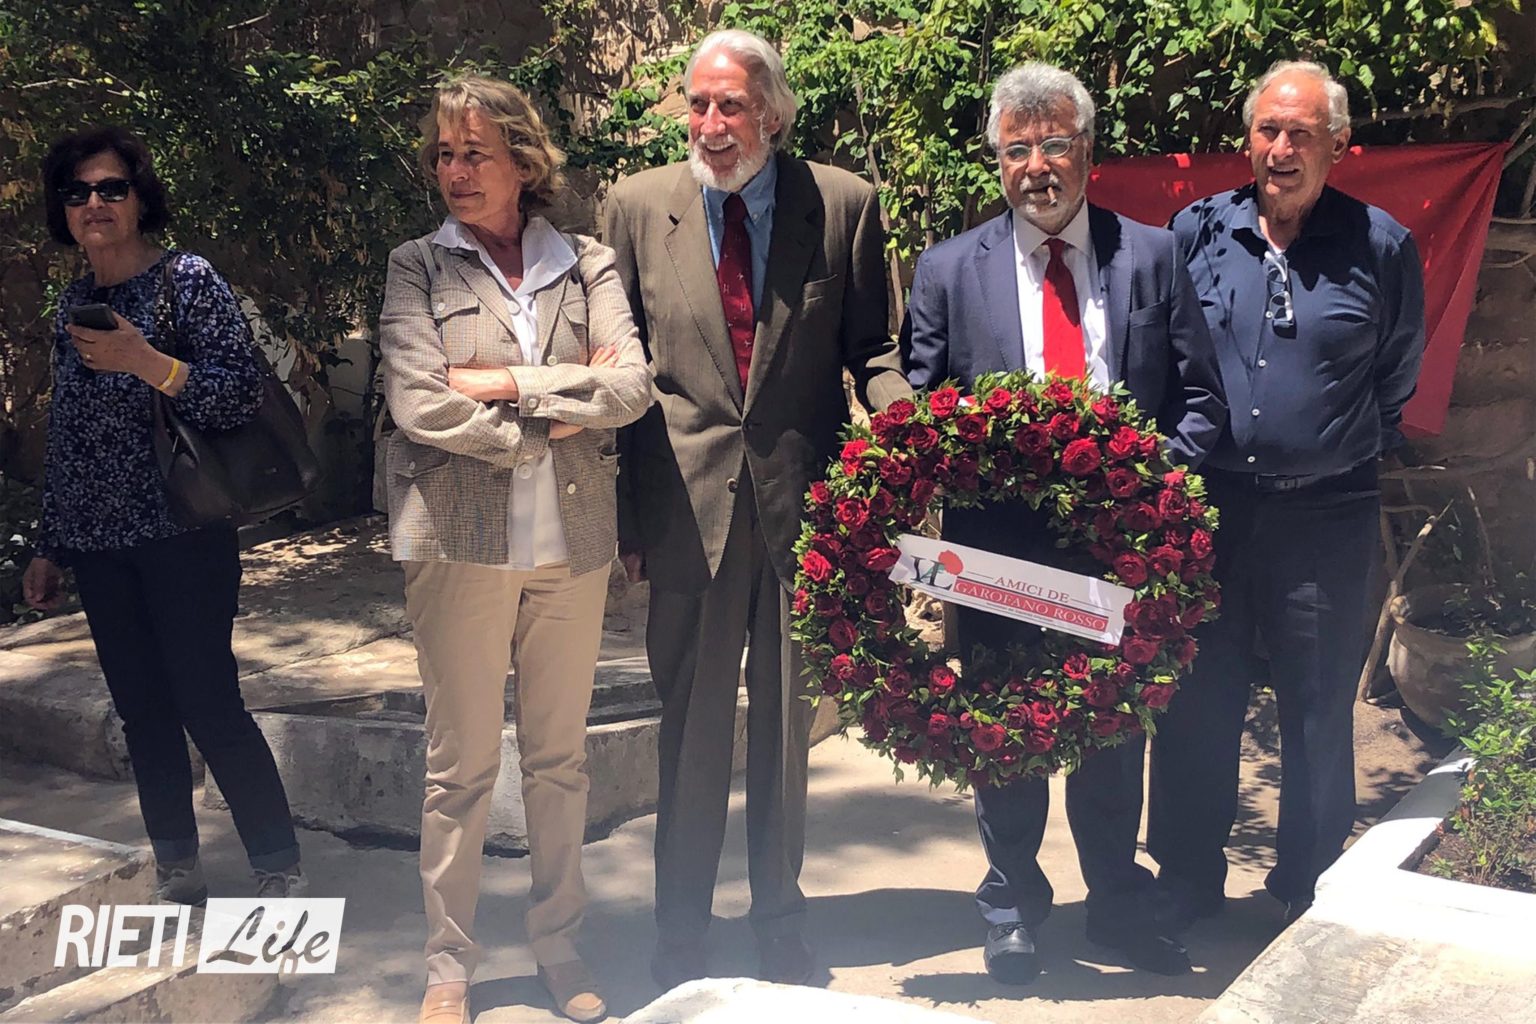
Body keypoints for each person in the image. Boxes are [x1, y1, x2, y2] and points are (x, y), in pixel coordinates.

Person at [902, 62, 1227, 983]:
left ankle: (1115, 905)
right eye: (1017, 150)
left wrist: (1151, 490)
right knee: (1005, 731)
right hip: (997, 550)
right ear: (997, 161)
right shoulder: (947, 270)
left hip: (1117, 550)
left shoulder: (1153, 257)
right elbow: (921, 410)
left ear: (1086, 151)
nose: (1036, 166)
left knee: (1112, 738)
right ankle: (1011, 904)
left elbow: (1201, 401)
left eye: (1053, 145)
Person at [603, 29, 910, 988]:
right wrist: (623, 523)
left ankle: (779, 916)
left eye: (730, 105)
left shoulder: (841, 204)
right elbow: (614, 370)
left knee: (785, 733)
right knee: (691, 730)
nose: (710, 124)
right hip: (683, 511)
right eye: (697, 104)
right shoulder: (635, 206)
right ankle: (680, 930)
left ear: (772, 113)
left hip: (801, 513)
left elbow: (873, 351)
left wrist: (915, 433)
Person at [379, 76, 652, 1024]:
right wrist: (558, 401)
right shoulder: (417, 265)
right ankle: (447, 968)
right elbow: (419, 401)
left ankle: (558, 945)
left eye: (475, 154)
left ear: (523, 163)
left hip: (572, 546)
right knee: (459, 768)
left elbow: (633, 386)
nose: (455, 172)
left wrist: (501, 385)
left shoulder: (585, 262)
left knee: (559, 760)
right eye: (444, 155)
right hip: (456, 543)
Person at [1147, 61, 1425, 929]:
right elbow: (1165, 358)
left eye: (1302, 133)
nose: (1281, 148)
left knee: (1316, 700)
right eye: (1268, 129)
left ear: (1339, 145)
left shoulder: (1380, 244)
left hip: (1327, 511)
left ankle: (1308, 883)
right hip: (1212, 508)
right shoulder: (1196, 231)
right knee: (1197, 695)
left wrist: (1329, 436)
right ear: (1249, 138)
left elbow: (1397, 370)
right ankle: (1187, 878)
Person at [23, 126, 305, 904]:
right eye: (77, 192)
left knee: (208, 704)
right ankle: (177, 865)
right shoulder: (73, 304)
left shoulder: (188, 280)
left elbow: (238, 394)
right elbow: (71, 436)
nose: (94, 203)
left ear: (139, 198)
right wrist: (49, 545)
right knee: (142, 713)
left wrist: (147, 362)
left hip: (184, 531)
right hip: (99, 545)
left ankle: (277, 864)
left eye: (111, 188)